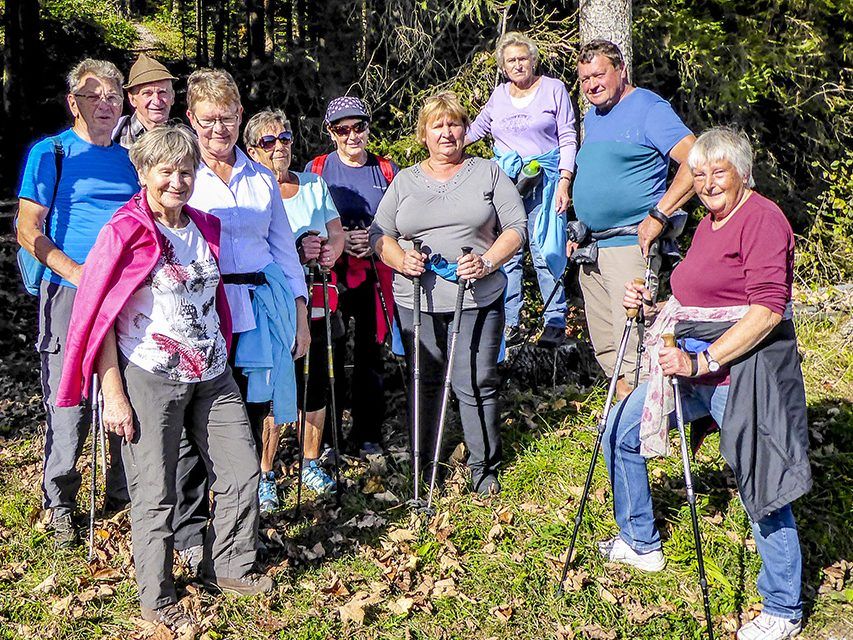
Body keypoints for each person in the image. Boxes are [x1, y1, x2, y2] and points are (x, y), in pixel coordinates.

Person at [55, 124, 271, 634]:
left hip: (212, 373)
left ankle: (230, 566)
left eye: (186, 170)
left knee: (242, 470)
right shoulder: (124, 230)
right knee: (155, 491)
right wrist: (113, 393)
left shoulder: (201, 225)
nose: (177, 180)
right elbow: (99, 317)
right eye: (166, 170)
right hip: (151, 376)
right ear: (144, 173)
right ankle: (156, 596)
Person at [603, 127, 811, 640]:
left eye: (719, 171)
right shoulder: (711, 221)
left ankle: (783, 608)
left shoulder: (761, 219)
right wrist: (649, 307)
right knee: (620, 432)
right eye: (699, 174)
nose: (708, 182)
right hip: (691, 365)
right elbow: (699, 298)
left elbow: (766, 312)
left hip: (744, 371)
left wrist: (702, 363)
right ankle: (640, 541)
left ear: (742, 171)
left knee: (762, 484)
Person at [173, 69, 309, 566]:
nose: (218, 130)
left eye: (227, 118)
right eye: (207, 121)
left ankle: (238, 528)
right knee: (194, 418)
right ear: (191, 119)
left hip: (259, 306)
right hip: (201, 309)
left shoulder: (259, 177)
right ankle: (188, 534)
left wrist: (299, 313)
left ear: (240, 116)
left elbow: (281, 246)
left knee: (249, 416)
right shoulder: (181, 174)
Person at [370, 91, 526, 495]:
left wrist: (487, 261)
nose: (447, 132)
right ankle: (426, 467)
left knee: (474, 381)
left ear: (465, 130)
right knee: (424, 382)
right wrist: (400, 259)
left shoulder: (487, 172)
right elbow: (379, 234)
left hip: (476, 296)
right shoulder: (405, 180)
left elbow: (516, 228)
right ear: (424, 134)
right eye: (437, 125)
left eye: (454, 123)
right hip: (417, 301)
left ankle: (484, 468)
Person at [16, 58, 138, 547]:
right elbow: (27, 229)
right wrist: (77, 273)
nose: (106, 105)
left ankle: (123, 491)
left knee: (125, 388)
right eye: (94, 96)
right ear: (74, 103)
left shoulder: (133, 158)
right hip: (68, 292)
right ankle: (61, 500)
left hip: (126, 293)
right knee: (68, 397)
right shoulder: (52, 154)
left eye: (113, 96)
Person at [572, 39, 696, 399]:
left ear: (621, 70)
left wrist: (660, 214)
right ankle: (627, 421)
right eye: (584, 79)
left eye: (599, 75)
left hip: (630, 246)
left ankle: (650, 430)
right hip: (592, 249)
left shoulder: (648, 108)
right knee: (607, 347)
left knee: (636, 346)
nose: (592, 84)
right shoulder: (593, 117)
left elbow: (695, 159)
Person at [244, 109, 346, 507]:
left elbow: (335, 235)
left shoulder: (314, 185)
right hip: (271, 305)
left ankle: (310, 461)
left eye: (284, 138)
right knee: (270, 390)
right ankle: (265, 472)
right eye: (269, 141)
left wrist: (327, 254)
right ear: (253, 149)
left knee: (315, 384)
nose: (279, 147)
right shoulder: (249, 189)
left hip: (317, 298)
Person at [466, 31, 577, 348]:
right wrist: (445, 142)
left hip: (545, 180)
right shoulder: (499, 96)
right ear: (503, 66)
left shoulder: (553, 89)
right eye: (511, 60)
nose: (518, 65)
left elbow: (568, 136)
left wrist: (565, 181)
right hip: (507, 184)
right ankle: (510, 323)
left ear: (533, 60)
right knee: (508, 254)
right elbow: (476, 130)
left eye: (522, 58)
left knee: (546, 251)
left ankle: (554, 320)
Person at [306, 96, 399, 456]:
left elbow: (400, 219)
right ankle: (327, 438)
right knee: (327, 353)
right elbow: (307, 217)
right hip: (331, 274)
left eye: (358, 127)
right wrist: (342, 239)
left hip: (375, 271)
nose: (351, 136)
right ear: (331, 133)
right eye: (342, 130)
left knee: (369, 355)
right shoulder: (317, 169)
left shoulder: (386, 170)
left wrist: (374, 239)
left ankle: (368, 433)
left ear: (368, 127)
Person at [113, 53, 177, 148]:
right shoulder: (115, 136)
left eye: (162, 92)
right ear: (132, 99)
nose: (156, 101)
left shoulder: (185, 138)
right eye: (147, 93)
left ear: (172, 96)